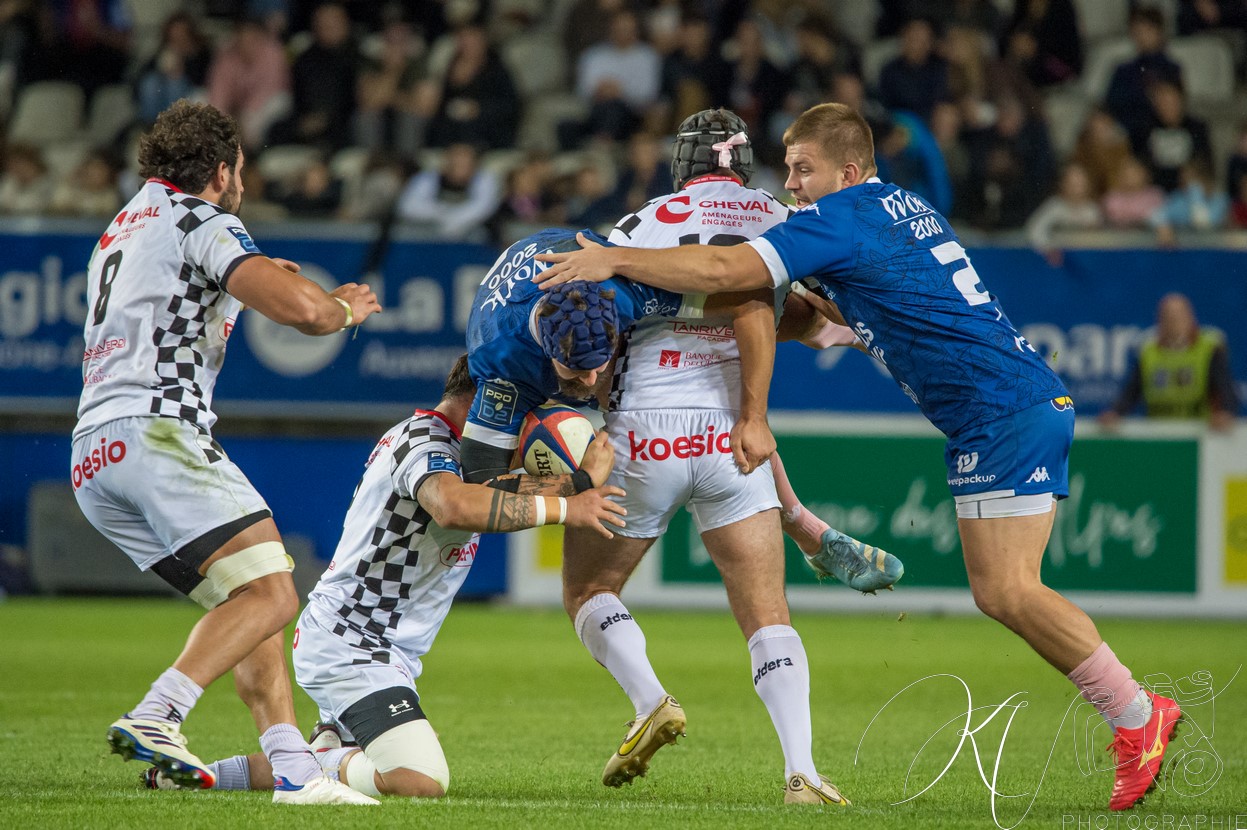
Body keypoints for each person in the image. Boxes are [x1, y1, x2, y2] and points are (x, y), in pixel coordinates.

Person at [534, 101, 1182, 814]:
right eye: (785, 168)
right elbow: (861, 301)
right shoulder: (897, 206)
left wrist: (613, 258)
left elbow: (727, 268)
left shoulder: (839, 219)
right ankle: (1131, 714)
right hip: (1002, 409)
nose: (792, 184)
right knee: (1000, 590)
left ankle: (1135, 716)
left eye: (803, 169)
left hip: (1002, 412)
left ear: (848, 170)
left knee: (1007, 591)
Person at [560, 108, 900, 806]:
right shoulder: (782, 214)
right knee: (767, 614)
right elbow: (807, 308)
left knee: (589, 593)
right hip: (733, 438)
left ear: (680, 164)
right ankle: (801, 771)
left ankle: (651, 698)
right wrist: (860, 333)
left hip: (642, 430)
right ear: (746, 164)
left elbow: (593, 325)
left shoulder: (638, 225)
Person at [70, 100, 380, 806]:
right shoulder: (202, 219)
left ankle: (294, 772)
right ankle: (159, 713)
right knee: (274, 590)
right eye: (239, 168)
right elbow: (302, 313)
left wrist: (243, 284)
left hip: (94, 452)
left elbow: (176, 302)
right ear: (220, 170)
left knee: (252, 603)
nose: (242, 180)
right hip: (157, 431)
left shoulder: (121, 228)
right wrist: (340, 309)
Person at [144, 355, 628, 797]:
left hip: (380, 648)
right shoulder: (425, 440)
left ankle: (204, 777)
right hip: (352, 643)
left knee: (399, 764)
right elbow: (455, 506)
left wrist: (576, 482)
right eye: (519, 407)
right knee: (420, 781)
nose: (523, 420)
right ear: (485, 401)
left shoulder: (466, 457)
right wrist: (571, 499)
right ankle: (315, 762)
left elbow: (491, 497)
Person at [1100, 293, 1239, 432]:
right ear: (1159, 321)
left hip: (1197, 433)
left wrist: (1226, 413)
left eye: (1179, 317)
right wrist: (1116, 413)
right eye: (1168, 317)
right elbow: (1131, 392)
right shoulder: (1148, 352)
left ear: (1191, 317)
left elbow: (1226, 389)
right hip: (1159, 434)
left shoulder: (1209, 350)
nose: (1174, 322)